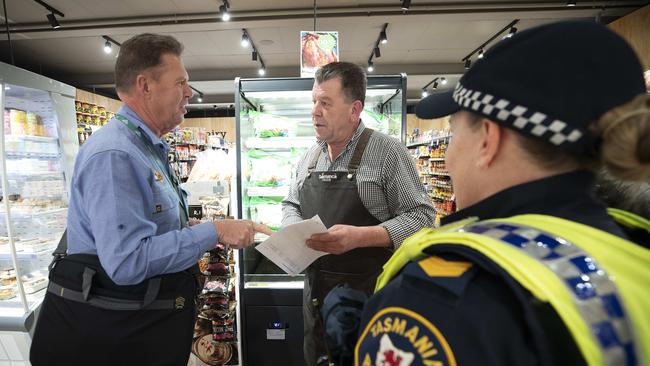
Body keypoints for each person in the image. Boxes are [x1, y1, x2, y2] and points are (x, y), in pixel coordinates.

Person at [348, 21, 650, 366]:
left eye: (454, 132)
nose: (447, 156)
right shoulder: (631, 244)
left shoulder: (446, 298)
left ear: (489, 139)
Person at [30, 33, 271, 366]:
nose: (189, 92)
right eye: (181, 82)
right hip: (115, 336)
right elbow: (126, 262)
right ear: (145, 86)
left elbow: (148, 230)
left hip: (138, 329)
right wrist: (212, 231)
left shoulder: (148, 149)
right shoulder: (115, 155)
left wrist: (196, 227)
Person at [281, 61, 436, 365]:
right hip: (315, 305)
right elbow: (291, 204)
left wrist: (362, 237)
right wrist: (292, 228)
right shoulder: (309, 156)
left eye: (325, 103)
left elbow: (423, 217)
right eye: (314, 101)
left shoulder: (388, 153)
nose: (314, 111)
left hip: (370, 305)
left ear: (354, 109)